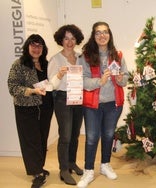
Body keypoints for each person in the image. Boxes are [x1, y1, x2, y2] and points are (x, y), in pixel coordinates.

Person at [77, 21, 129, 188]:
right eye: (98, 32)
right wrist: (100, 81)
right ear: (93, 36)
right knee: (92, 138)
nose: (102, 35)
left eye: (105, 32)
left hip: (113, 104)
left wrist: (121, 79)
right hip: (92, 104)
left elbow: (125, 77)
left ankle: (105, 164)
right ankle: (88, 170)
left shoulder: (118, 55)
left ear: (109, 34)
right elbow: (82, 80)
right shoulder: (85, 56)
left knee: (108, 135)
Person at [7, 34, 53, 188]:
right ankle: (37, 174)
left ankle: (39, 167)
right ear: (27, 46)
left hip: (45, 107)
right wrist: (32, 91)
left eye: (39, 46)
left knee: (41, 139)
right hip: (26, 108)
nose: (36, 48)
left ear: (43, 49)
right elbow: (12, 87)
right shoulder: (19, 64)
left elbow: (51, 83)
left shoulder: (46, 64)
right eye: (33, 45)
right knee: (30, 141)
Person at [48, 24, 84, 185]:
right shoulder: (55, 59)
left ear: (77, 40)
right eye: (66, 38)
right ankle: (63, 170)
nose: (69, 42)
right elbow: (51, 85)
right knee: (65, 136)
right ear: (61, 40)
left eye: (73, 38)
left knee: (75, 134)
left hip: (78, 97)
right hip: (62, 99)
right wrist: (59, 74)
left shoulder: (81, 57)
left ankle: (71, 162)